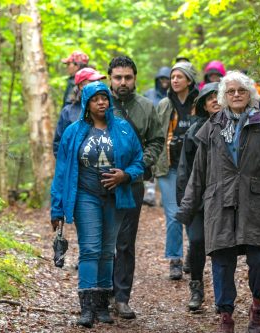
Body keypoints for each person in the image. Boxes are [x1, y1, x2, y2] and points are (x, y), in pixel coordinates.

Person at [176, 71, 260, 333]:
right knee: (222, 262)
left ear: (250, 94)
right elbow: (198, 172)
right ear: (223, 96)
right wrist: (186, 209)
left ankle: (257, 307)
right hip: (219, 203)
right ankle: (226, 317)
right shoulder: (210, 128)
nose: (236, 95)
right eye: (230, 91)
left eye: (241, 91)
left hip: (256, 203)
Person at [50, 81, 144, 328]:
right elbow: (61, 172)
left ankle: (103, 305)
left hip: (116, 197)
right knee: (90, 248)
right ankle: (87, 306)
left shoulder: (123, 128)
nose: (101, 102)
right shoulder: (73, 131)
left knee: (107, 250)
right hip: (85, 196)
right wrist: (57, 208)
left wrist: (125, 175)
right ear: (87, 103)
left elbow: (139, 160)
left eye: (104, 98)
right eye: (95, 99)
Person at [107, 56, 164, 320]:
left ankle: (121, 297)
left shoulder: (145, 106)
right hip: (100, 185)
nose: (122, 82)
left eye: (127, 77)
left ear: (135, 79)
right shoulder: (98, 103)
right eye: (118, 77)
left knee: (125, 243)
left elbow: (156, 140)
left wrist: (137, 167)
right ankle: (99, 293)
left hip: (133, 184)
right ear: (110, 79)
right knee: (100, 241)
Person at [176, 82, 221, 311]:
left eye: (218, 95)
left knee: (222, 248)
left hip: (224, 199)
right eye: (210, 97)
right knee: (196, 241)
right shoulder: (193, 132)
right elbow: (184, 169)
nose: (215, 100)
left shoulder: (237, 128)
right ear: (203, 103)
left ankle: (224, 296)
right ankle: (196, 287)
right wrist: (184, 201)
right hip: (198, 197)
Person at [155, 61, 199, 280]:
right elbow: (156, 134)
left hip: (194, 169)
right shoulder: (164, 105)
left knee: (192, 213)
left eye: (179, 77)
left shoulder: (199, 103)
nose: (174, 80)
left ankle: (193, 252)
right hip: (169, 168)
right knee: (173, 215)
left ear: (189, 80)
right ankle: (175, 259)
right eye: (172, 77)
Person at [53, 68, 106, 158]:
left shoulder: (106, 107)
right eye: (93, 81)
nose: (98, 84)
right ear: (81, 85)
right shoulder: (68, 112)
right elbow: (59, 145)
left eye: (99, 81)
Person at [142, 66, 171, 206]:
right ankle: (150, 192)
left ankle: (166, 195)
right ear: (158, 80)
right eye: (162, 79)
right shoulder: (149, 94)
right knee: (151, 159)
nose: (165, 81)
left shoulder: (172, 95)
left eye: (167, 79)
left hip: (168, 131)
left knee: (164, 161)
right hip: (151, 130)